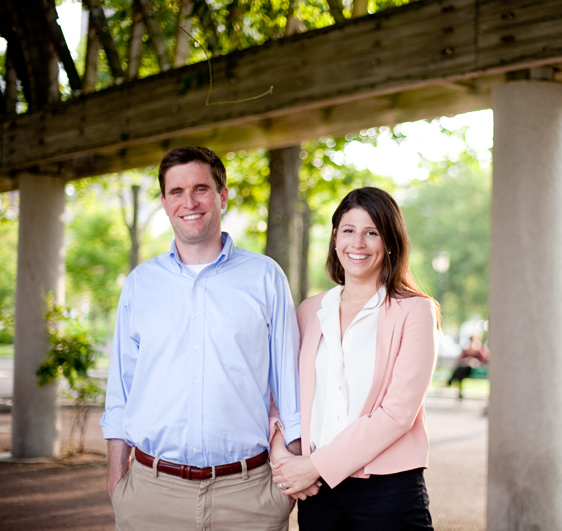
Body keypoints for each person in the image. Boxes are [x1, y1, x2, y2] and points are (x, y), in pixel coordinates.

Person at [100, 146, 303, 530]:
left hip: (248, 497)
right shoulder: (141, 284)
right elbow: (121, 392)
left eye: (200, 189)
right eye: (176, 192)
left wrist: (286, 486)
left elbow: (288, 389)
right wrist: (117, 480)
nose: (188, 202)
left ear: (222, 195)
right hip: (150, 495)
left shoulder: (266, 278)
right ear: (164, 202)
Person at [270, 187, 438, 530]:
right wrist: (281, 453)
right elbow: (281, 393)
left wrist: (315, 465)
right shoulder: (309, 311)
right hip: (318, 494)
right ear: (335, 238)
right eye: (348, 230)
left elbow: (397, 413)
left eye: (371, 232)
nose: (357, 243)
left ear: (389, 242)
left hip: (388, 491)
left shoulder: (415, 312)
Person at [447, 333, 490, 399]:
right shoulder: (467, 349)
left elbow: (483, 361)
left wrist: (474, 361)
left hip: (474, 369)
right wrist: (467, 360)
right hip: (465, 368)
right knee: (460, 371)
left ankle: (450, 382)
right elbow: (460, 360)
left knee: (459, 371)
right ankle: (453, 385)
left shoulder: (479, 350)